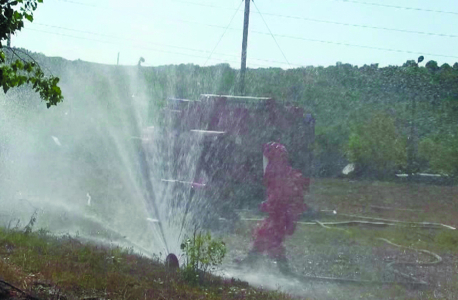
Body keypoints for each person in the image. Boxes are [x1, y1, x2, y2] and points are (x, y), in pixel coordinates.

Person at [240, 141, 310, 274]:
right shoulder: (282, 171)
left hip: (281, 214)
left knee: (272, 239)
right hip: (279, 213)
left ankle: (283, 270)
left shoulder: (279, 172)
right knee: (264, 237)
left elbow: (282, 194)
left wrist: (269, 204)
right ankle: (250, 263)